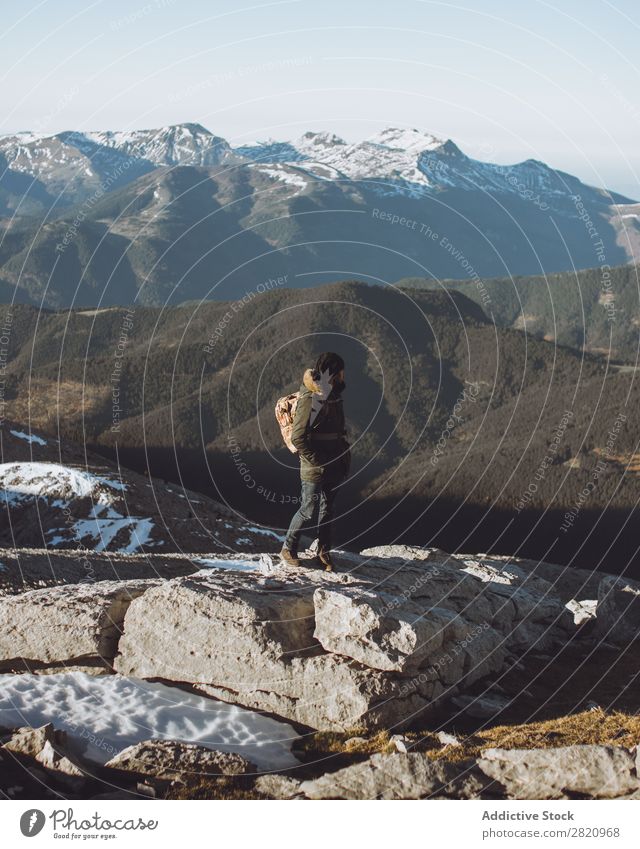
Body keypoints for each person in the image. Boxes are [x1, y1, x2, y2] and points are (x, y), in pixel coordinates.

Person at [280, 352, 350, 570]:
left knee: (327, 508)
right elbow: (298, 437)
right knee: (308, 509)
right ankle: (288, 549)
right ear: (333, 372)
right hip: (315, 465)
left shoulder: (333, 394)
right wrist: (316, 460)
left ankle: (323, 551)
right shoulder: (312, 397)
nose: (343, 375)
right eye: (341, 371)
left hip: (334, 461)